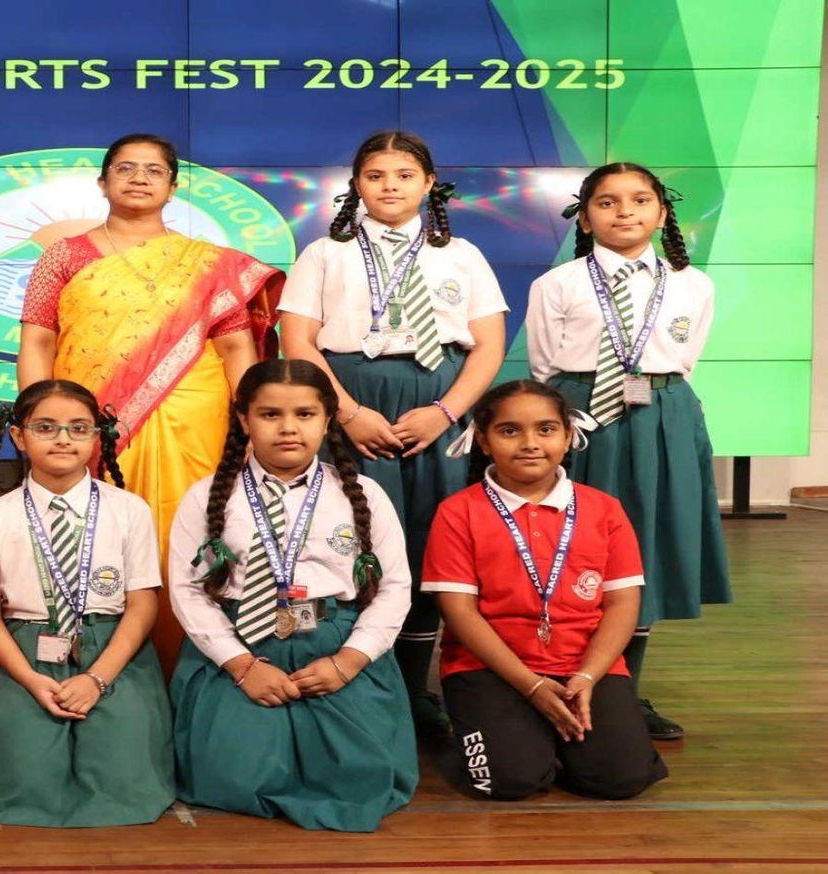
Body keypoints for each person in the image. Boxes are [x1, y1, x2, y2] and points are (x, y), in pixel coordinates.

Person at [17, 132, 285, 672]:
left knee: (193, 535)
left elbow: (236, 348)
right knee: (102, 541)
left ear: (173, 187)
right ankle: (108, 667)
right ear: (102, 182)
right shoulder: (63, 256)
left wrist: (254, 422)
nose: (139, 178)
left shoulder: (206, 263)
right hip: (95, 425)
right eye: (125, 168)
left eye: (154, 170)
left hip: (195, 421)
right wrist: (38, 420)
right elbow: (39, 342)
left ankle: (199, 667)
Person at [279, 130, 508, 735]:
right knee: (351, 537)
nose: (389, 187)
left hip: (437, 403)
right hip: (351, 398)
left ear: (429, 184)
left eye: (405, 175)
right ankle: (351, 675)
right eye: (376, 175)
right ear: (356, 184)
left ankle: (413, 690)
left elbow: (489, 346)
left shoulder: (462, 255)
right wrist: (348, 412)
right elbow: (297, 340)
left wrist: (447, 412)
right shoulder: (324, 254)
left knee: (431, 544)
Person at [525, 161, 729, 741]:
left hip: (663, 415)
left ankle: (622, 692)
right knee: (577, 550)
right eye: (607, 202)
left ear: (662, 214)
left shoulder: (693, 285)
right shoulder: (557, 284)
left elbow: (685, 359)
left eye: (640, 200)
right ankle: (557, 679)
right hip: (584, 417)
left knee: (646, 551)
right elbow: (544, 366)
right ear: (585, 218)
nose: (625, 212)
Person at [169, 359, 416, 833]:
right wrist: (242, 667)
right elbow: (188, 592)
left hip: (332, 644)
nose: (288, 428)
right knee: (236, 778)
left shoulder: (363, 493)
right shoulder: (206, 496)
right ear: (244, 420)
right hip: (245, 647)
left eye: (304, 414)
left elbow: (394, 588)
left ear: (327, 420)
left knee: (358, 778)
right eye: (270, 414)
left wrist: (348, 661)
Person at [0, 379, 174, 827]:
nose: (63, 438)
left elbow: (142, 606)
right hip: (22, 651)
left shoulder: (129, 509)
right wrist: (29, 680)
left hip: (111, 649)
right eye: (46, 427)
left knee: (119, 769)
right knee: (22, 770)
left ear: (96, 437)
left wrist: (97, 679)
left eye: (78, 428)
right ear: (19, 436)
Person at [423, 379, 668, 799]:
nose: (530, 443)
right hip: (491, 667)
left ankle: (554, 740)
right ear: (483, 440)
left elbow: (623, 603)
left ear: (568, 436)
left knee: (621, 778)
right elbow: (459, 612)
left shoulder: (605, 509)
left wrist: (587, 677)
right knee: (508, 781)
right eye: (509, 430)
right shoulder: (457, 512)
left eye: (546, 429)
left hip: (584, 666)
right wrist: (532, 686)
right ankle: (523, 738)